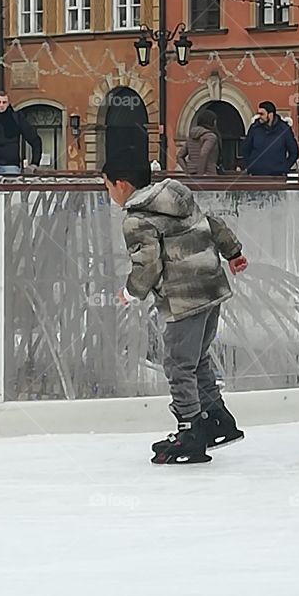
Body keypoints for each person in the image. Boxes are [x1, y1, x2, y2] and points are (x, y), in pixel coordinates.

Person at [103, 154, 248, 464]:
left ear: (121, 185)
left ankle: (190, 431)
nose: (109, 194)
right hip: (211, 287)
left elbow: (148, 264)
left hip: (184, 297)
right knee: (197, 359)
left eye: (107, 187)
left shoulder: (137, 219)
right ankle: (216, 417)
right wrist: (233, 252)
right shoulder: (176, 196)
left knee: (178, 365)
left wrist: (130, 292)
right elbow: (212, 224)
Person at [241, 100, 299, 176]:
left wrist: (284, 167)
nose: (259, 117)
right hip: (256, 174)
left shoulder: (284, 129)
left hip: (277, 175)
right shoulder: (254, 128)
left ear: (270, 115)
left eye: (262, 114)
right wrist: (250, 166)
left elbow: (294, 152)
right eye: (258, 114)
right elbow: (246, 149)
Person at [177, 108, 220, 177]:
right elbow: (203, 153)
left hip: (192, 174)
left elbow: (179, 156)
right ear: (212, 122)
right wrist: (200, 175)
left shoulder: (191, 136)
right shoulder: (211, 136)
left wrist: (187, 172)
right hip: (208, 175)